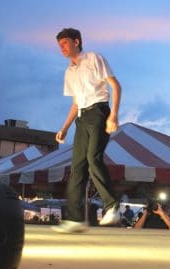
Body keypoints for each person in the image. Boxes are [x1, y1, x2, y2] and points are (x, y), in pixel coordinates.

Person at [52, 28, 122, 233]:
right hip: (81, 118)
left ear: (76, 41)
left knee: (93, 158)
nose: (62, 48)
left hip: (99, 111)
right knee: (77, 167)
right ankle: (75, 219)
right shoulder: (69, 72)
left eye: (65, 43)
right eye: (59, 45)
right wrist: (64, 128)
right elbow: (75, 103)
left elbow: (115, 86)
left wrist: (114, 115)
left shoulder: (93, 58)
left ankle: (112, 206)